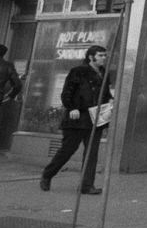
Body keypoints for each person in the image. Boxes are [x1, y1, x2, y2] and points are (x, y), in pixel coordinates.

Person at [39, 45, 114, 195]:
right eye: (100, 55)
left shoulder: (103, 73)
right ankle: (47, 175)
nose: (104, 58)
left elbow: (105, 93)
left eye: (105, 55)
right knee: (68, 150)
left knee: (92, 153)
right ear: (91, 57)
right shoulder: (78, 71)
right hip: (78, 117)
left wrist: (110, 101)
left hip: (95, 118)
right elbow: (67, 92)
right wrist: (72, 107)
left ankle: (87, 185)